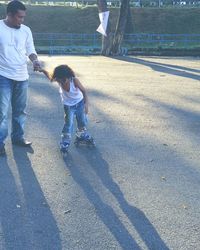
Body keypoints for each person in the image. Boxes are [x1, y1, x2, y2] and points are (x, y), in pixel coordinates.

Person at [0, 1, 41, 156]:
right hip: (2, 76)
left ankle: (18, 137)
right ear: (9, 15)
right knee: (1, 112)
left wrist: (35, 60)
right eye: (19, 17)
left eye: (23, 17)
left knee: (20, 111)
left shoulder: (26, 30)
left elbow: (30, 49)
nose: (22, 20)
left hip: (22, 76)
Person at [40, 65, 94, 152]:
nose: (62, 82)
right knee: (68, 122)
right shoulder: (59, 79)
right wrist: (42, 70)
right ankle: (65, 139)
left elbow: (84, 91)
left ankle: (81, 133)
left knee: (82, 120)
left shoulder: (74, 80)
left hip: (79, 103)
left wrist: (86, 104)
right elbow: (50, 77)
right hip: (68, 106)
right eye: (60, 80)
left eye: (64, 80)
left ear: (68, 77)